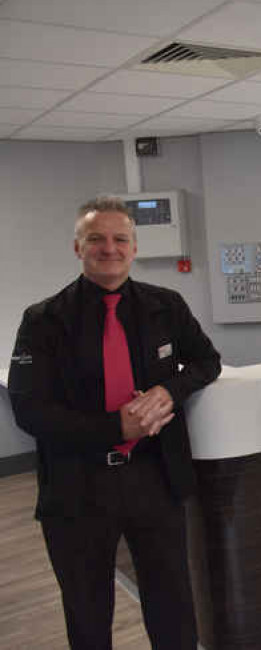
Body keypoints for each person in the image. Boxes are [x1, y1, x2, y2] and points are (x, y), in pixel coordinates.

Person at [7, 197, 221, 649]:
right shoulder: (44, 320)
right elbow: (30, 410)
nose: (109, 248)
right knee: (87, 613)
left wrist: (170, 391)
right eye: (96, 239)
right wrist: (113, 429)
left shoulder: (165, 305)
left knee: (172, 605)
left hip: (155, 479)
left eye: (120, 238)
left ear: (134, 246)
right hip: (78, 488)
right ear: (77, 247)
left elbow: (207, 362)